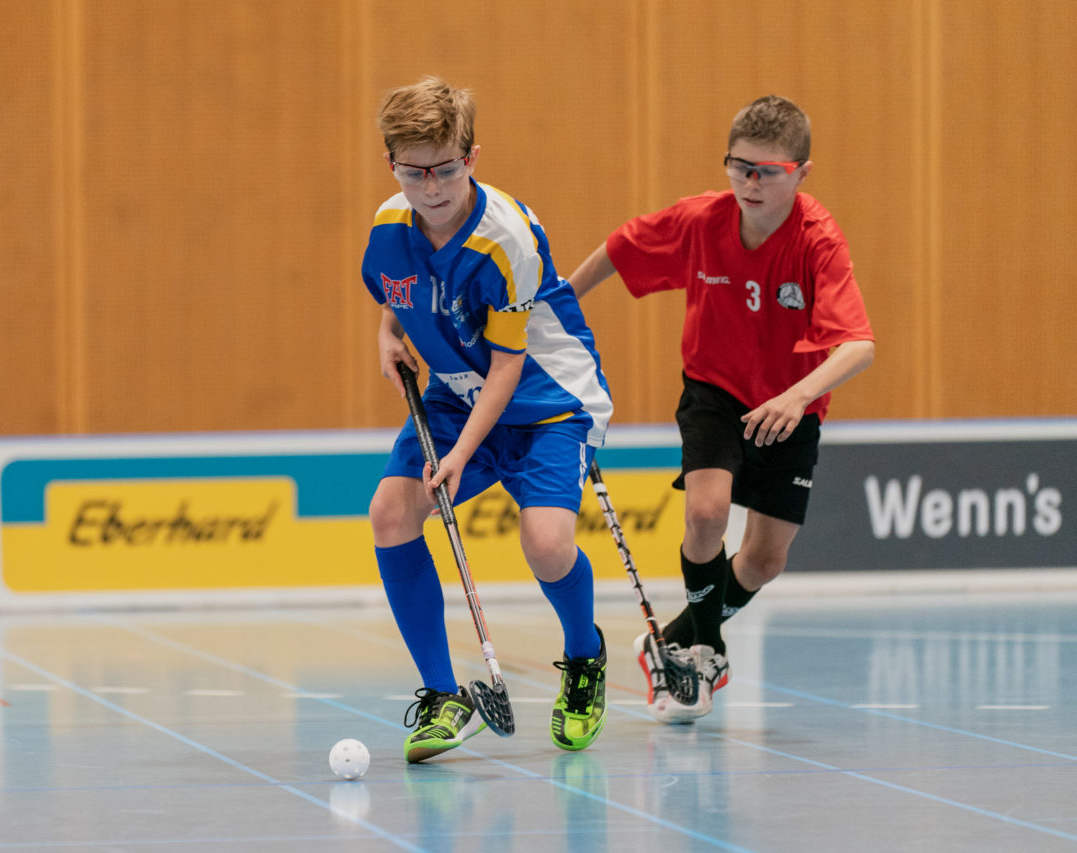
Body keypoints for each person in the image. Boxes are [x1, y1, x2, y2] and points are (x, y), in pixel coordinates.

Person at [567, 95, 875, 723]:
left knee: (764, 560)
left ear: (802, 173)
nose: (751, 183)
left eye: (769, 171)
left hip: (792, 405)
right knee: (706, 513)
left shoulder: (817, 240)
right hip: (714, 389)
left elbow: (859, 345)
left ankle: (675, 637)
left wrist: (797, 397)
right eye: (740, 167)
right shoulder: (701, 220)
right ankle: (704, 654)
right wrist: (557, 309)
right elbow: (620, 249)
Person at [361, 76, 615, 762]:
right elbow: (399, 287)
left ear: (472, 157)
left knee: (547, 544)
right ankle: (445, 696)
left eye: (446, 168)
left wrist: (458, 454)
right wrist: (388, 331)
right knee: (391, 512)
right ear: (393, 165)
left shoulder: (507, 238)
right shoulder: (388, 229)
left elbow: (508, 367)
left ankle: (585, 657)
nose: (432, 186)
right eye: (414, 171)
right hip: (455, 390)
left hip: (544, 399)